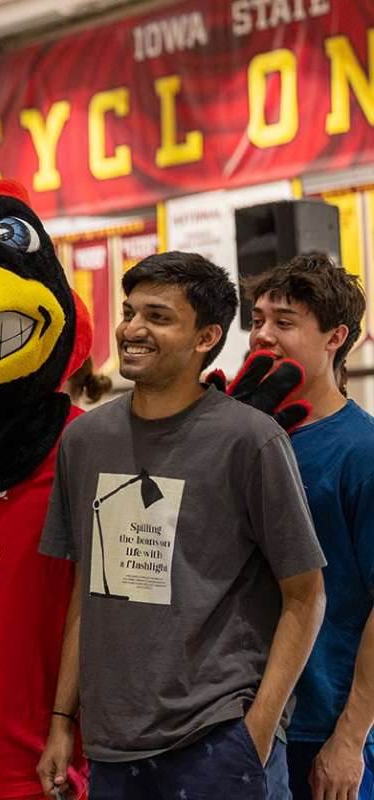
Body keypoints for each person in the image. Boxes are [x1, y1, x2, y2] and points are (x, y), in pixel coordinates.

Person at [38, 251, 326, 799]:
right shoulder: (84, 441)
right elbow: (88, 592)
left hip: (216, 739)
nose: (133, 329)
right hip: (110, 746)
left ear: (205, 337)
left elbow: (306, 597)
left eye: (158, 316)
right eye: (129, 312)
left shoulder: (250, 439)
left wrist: (258, 733)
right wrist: (61, 720)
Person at [247, 253, 374, 800]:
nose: (263, 336)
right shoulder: (243, 438)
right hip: (240, 721)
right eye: (256, 321)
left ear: (334, 337)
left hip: (321, 728)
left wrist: (350, 736)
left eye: (284, 322)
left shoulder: (362, 451)